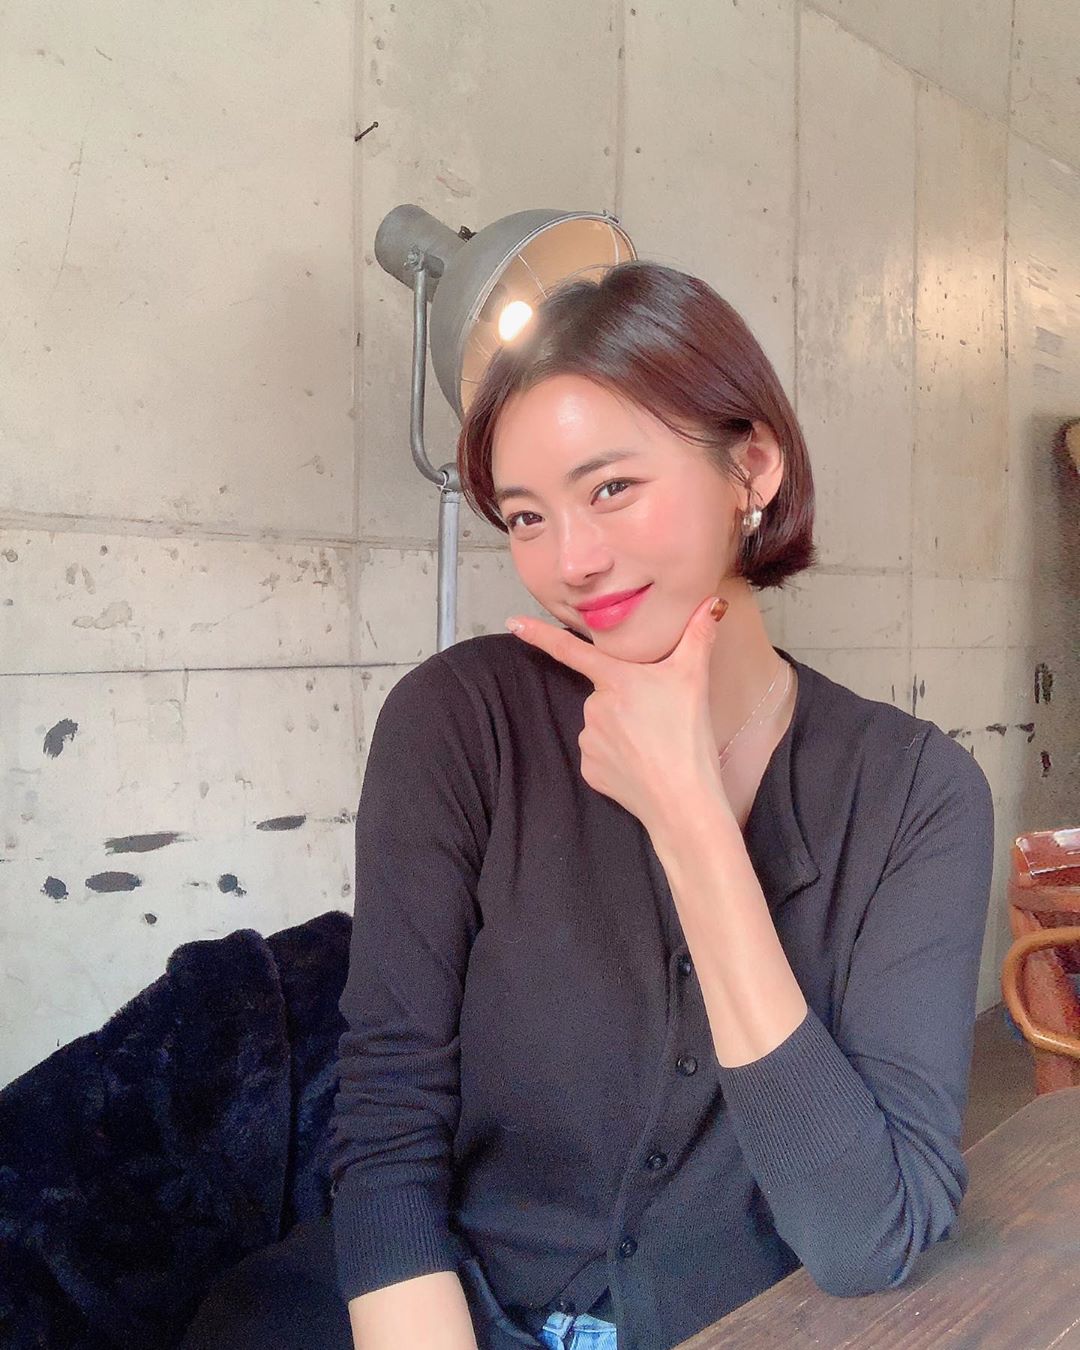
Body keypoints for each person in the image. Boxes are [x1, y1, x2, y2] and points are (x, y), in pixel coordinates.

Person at [185, 261, 993, 1350]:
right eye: (526, 516)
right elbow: (387, 1135)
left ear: (752, 466)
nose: (571, 561)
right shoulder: (458, 723)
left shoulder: (916, 795)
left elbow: (867, 1236)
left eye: (611, 488)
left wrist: (692, 822)